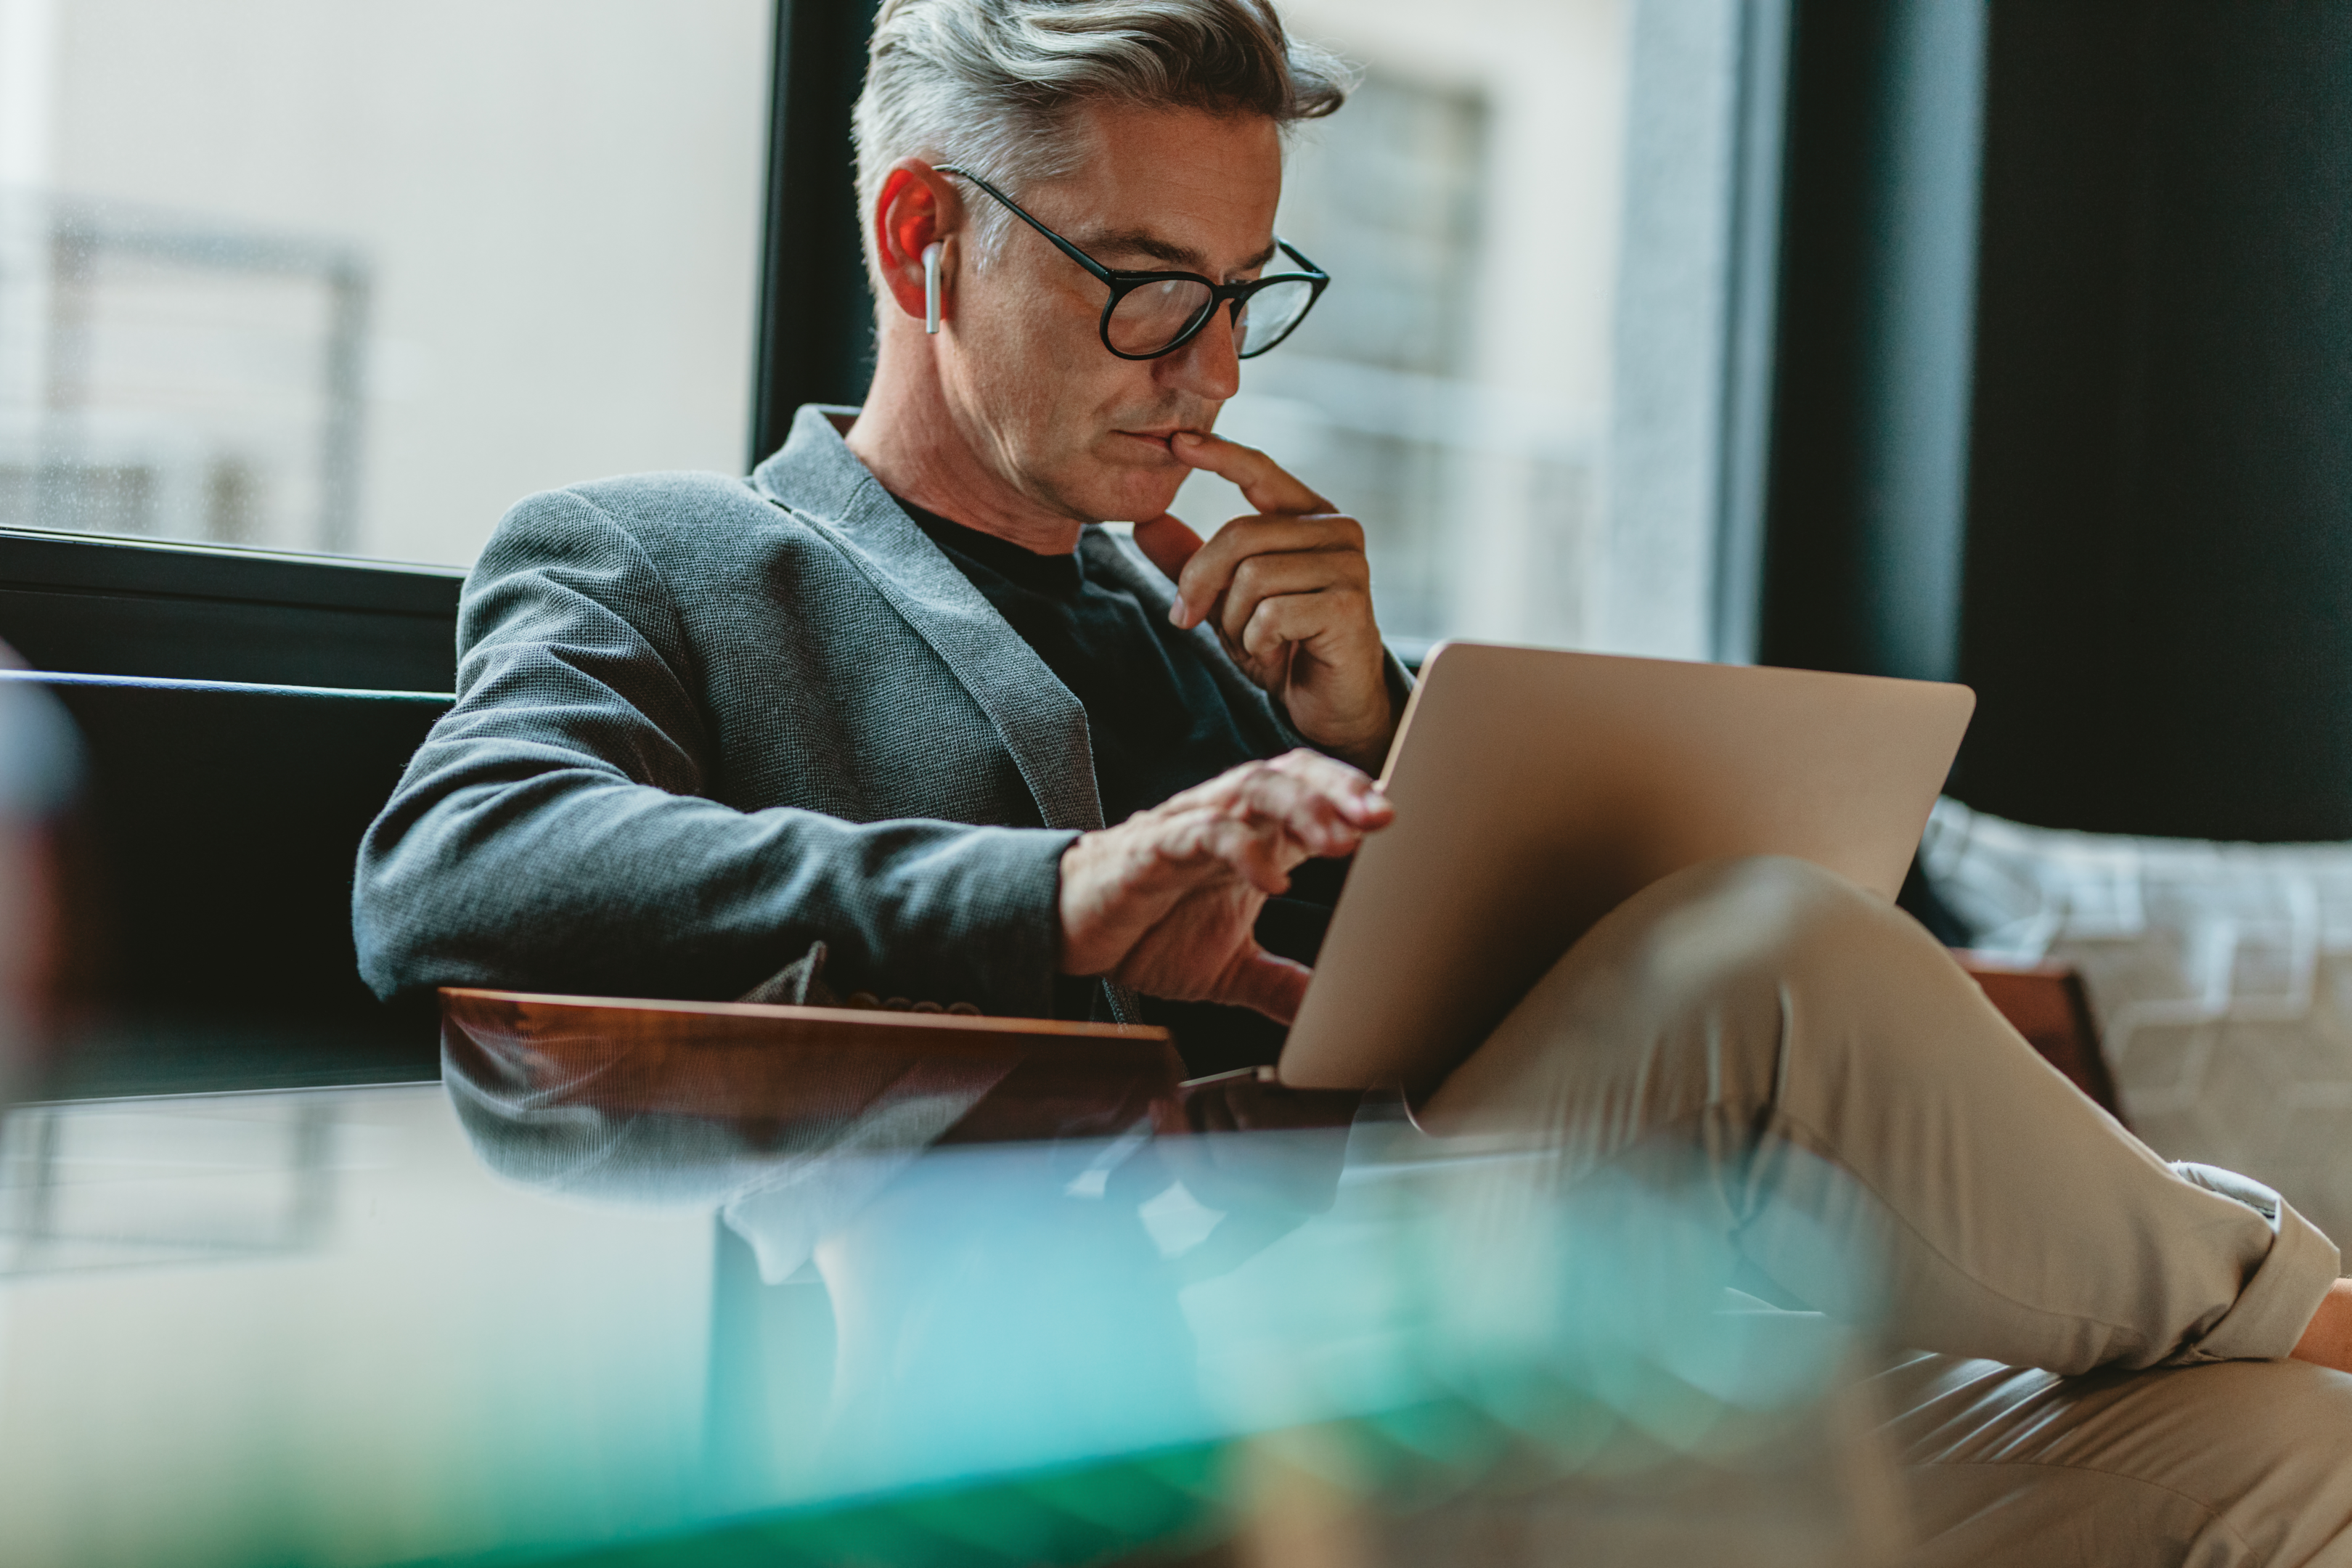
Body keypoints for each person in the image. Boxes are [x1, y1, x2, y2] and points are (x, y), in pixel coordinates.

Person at [354, 1, 2352, 1559]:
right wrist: (1060, 895)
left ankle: (2286, 1338)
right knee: (1770, 958)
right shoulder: (672, 560)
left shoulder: (1231, 655)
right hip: (1135, 1395)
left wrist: (1383, 732)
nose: (1211, 374)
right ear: (922, 235)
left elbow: (1522, 1047)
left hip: (1540, 1367)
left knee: (2290, 1459)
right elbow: (455, 863)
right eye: (1147, 284)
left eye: (1246, 295)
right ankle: (2297, 1288)